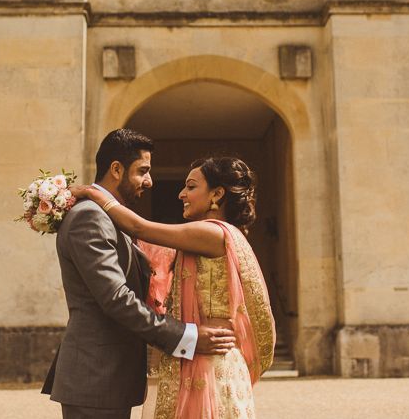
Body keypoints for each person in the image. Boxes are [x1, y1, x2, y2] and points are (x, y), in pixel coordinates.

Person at [41, 129, 236, 419]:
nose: (150, 181)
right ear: (116, 169)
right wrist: (186, 335)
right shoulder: (90, 217)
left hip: (108, 376)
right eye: (143, 171)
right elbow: (117, 299)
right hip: (96, 375)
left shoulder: (109, 217)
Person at [71, 155, 276, 419]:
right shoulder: (222, 234)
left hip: (209, 362)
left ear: (217, 194)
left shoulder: (212, 233)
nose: (181, 194)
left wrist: (93, 193)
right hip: (211, 357)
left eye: (191, 187)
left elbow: (138, 227)